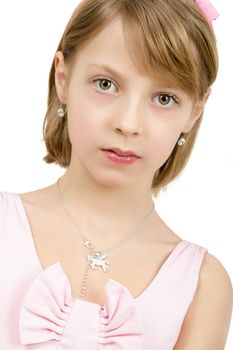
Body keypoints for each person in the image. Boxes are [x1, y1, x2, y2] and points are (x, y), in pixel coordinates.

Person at [0, 0, 232, 348]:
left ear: (194, 113)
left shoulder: (201, 285)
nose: (128, 123)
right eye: (106, 84)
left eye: (164, 98)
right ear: (63, 78)